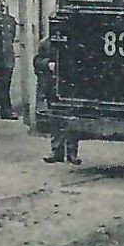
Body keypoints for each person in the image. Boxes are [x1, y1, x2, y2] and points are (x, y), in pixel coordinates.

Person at [35, 36, 80, 165]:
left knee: (71, 119)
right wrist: (48, 64)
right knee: (55, 119)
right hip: (53, 87)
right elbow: (37, 61)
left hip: (69, 87)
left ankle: (72, 153)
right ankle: (56, 151)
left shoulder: (75, 41)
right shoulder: (46, 43)